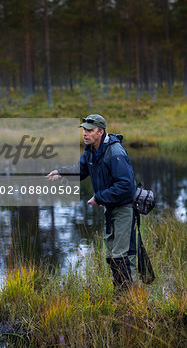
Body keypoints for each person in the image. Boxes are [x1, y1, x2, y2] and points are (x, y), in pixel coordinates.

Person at [46, 114, 137, 290]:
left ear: (101, 132)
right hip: (110, 208)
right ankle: (122, 295)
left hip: (124, 208)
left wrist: (99, 197)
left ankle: (127, 298)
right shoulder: (91, 151)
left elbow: (126, 186)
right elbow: (80, 170)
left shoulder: (115, 152)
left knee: (120, 255)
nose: (85, 134)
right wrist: (61, 172)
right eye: (84, 130)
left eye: (90, 130)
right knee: (112, 255)